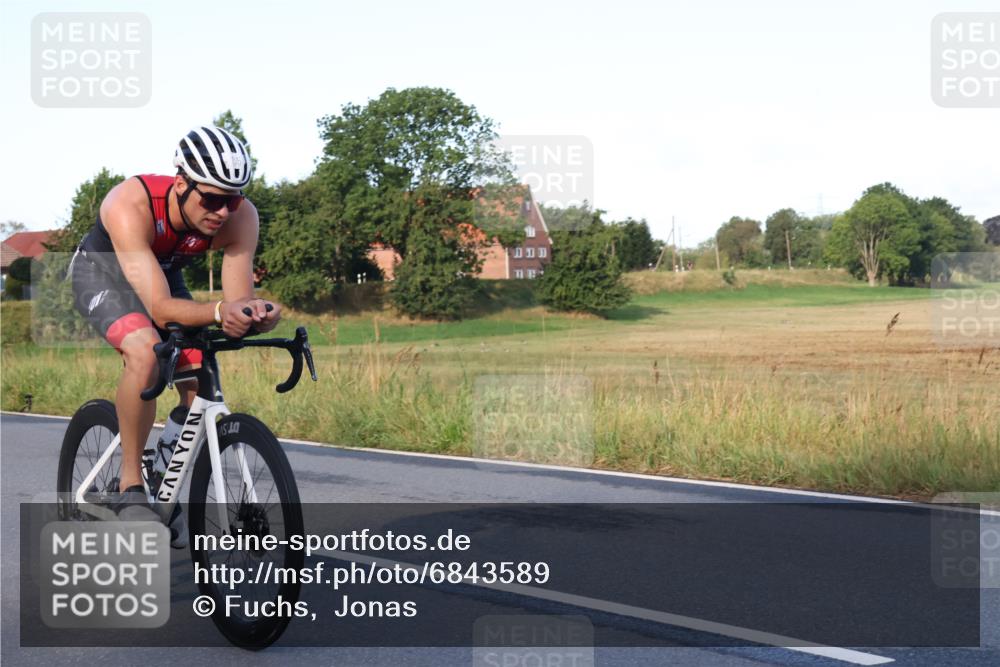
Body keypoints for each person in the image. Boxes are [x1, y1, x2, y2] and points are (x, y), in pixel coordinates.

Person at [70, 126, 281, 537]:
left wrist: (254, 314)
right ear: (181, 184)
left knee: (198, 371)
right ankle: (132, 486)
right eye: (213, 199)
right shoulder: (130, 204)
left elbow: (234, 302)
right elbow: (161, 308)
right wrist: (220, 310)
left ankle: (163, 479)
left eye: (233, 199)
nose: (223, 211)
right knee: (147, 353)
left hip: (162, 276)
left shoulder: (241, 218)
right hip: (102, 275)